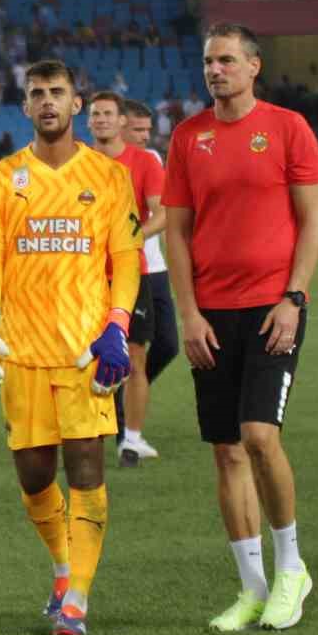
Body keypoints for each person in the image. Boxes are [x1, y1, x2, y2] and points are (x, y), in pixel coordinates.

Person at [0, 58, 141, 635]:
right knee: (34, 475)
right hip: (21, 351)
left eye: (57, 92)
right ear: (25, 106)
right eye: (37, 93)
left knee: (87, 468)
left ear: (76, 104)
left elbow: (127, 263)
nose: (47, 101)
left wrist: (117, 327)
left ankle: (79, 600)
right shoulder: (1, 179)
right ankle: (63, 570)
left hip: (85, 354)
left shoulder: (110, 177)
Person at [163, 23, 318, 632]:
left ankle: (291, 570)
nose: (215, 70)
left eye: (227, 60)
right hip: (212, 314)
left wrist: (295, 297)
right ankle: (252, 589)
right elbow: (176, 231)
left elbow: (311, 221)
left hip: (271, 308)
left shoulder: (287, 129)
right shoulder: (187, 137)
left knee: (259, 436)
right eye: (208, 61)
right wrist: (189, 312)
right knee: (227, 450)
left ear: (254, 66)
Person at [87, 91, 167, 466]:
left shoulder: (144, 162)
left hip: (129, 275)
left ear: (121, 121)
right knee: (78, 358)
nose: (101, 119)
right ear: (88, 121)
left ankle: (131, 441)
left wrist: (134, 236)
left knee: (135, 358)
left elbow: (162, 212)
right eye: (95, 114)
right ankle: (83, 432)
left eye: (108, 114)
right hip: (82, 276)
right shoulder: (77, 163)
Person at [119, 98, 180, 460]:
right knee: (130, 352)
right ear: (121, 127)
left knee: (169, 345)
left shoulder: (151, 161)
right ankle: (124, 417)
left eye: (147, 130)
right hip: (129, 268)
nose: (145, 136)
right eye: (138, 130)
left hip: (154, 269)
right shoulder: (103, 162)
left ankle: (123, 400)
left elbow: (165, 212)